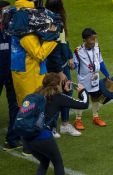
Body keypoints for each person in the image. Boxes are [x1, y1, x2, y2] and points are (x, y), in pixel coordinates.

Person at [23, 72, 89, 175]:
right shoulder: (58, 97)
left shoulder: (36, 94)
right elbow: (84, 104)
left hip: (26, 136)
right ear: (58, 85)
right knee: (58, 162)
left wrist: (64, 92)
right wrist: (83, 91)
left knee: (44, 162)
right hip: (42, 137)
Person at [10, 0, 58, 106]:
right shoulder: (24, 21)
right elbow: (39, 54)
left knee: (28, 109)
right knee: (31, 111)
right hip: (30, 75)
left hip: (26, 72)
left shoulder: (17, 13)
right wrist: (53, 37)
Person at [45, 0, 80, 138]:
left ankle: (65, 125)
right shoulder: (51, 25)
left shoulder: (59, 22)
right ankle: (51, 127)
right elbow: (53, 51)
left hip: (63, 65)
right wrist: (59, 71)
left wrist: (70, 56)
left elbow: (65, 42)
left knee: (67, 92)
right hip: (55, 67)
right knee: (54, 95)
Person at [73, 28, 110, 130]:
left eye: (95, 38)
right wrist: (71, 65)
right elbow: (74, 65)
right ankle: (78, 120)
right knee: (82, 100)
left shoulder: (97, 48)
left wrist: (107, 75)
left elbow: (101, 62)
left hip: (95, 79)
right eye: (91, 39)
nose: (94, 41)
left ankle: (95, 117)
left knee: (95, 98)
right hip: (83, 80)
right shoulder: (78, 51)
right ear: (85, 40)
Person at [0, 0, 21, 151]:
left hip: (12, 71)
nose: (9, 14)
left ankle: (12, 140)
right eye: (5, 12)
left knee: (14, 105)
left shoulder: (12, 28)